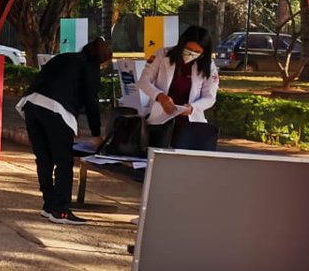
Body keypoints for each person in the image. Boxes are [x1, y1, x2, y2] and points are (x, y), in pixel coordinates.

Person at [16, 38, 114, 225]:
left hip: (31, 105)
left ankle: (49, 204)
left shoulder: (65, 57)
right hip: (56, 110)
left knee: (44, 158)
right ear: (102, 60)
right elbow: (92, 102)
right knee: (63, 162)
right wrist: (96, 134)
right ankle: (60, 210)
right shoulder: (90, 66)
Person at [138, 25, 219, 149]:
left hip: (189, 120)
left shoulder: (208, 65)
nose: (191, 54)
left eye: (197, 52)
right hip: (161, 117)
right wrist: (160, 96)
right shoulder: (162, 54)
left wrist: (192, 108)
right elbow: (144, 81)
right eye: (188, 49)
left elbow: (210, 98)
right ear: (182, 43)